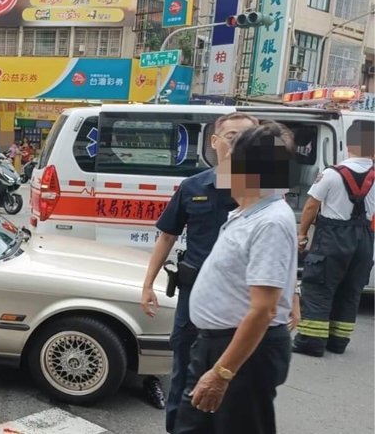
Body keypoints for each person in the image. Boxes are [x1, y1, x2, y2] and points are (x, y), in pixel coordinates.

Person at [173, 121, 298, 434]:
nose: (224, 167)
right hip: (215, 343)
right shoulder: (246, 213)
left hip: (242, 352)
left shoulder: (270, 221)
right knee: (190, 425)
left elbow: (263, 309)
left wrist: (222, 373)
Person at [140, 112, 260, 426]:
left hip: (242, 301)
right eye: (232, 136)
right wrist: (147, 285)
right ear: (215, 141)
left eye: (247, 137)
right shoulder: (194, 186)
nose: (238, 143)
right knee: (184, 369)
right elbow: (167, 235)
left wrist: (294, 295)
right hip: (194, 298)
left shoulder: (263, 193)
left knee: (232, 374)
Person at [293, 120, 374, 357]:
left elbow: (310, 206)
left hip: (333, 236)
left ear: (349, 144)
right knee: (351, 289)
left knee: (319, 286)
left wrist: (302, 234)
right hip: (364, 239)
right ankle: (338, 341)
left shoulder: (331, 174)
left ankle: (311, 342)